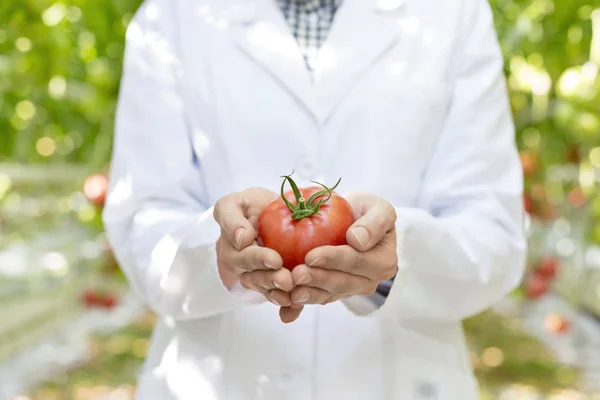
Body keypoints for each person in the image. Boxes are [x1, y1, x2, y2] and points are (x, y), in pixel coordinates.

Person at [102, 0, 527, 398]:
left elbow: (494, 236)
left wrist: (399, 254)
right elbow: (141, 220)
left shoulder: (453, 13)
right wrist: (215, 252)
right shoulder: (172, 15)